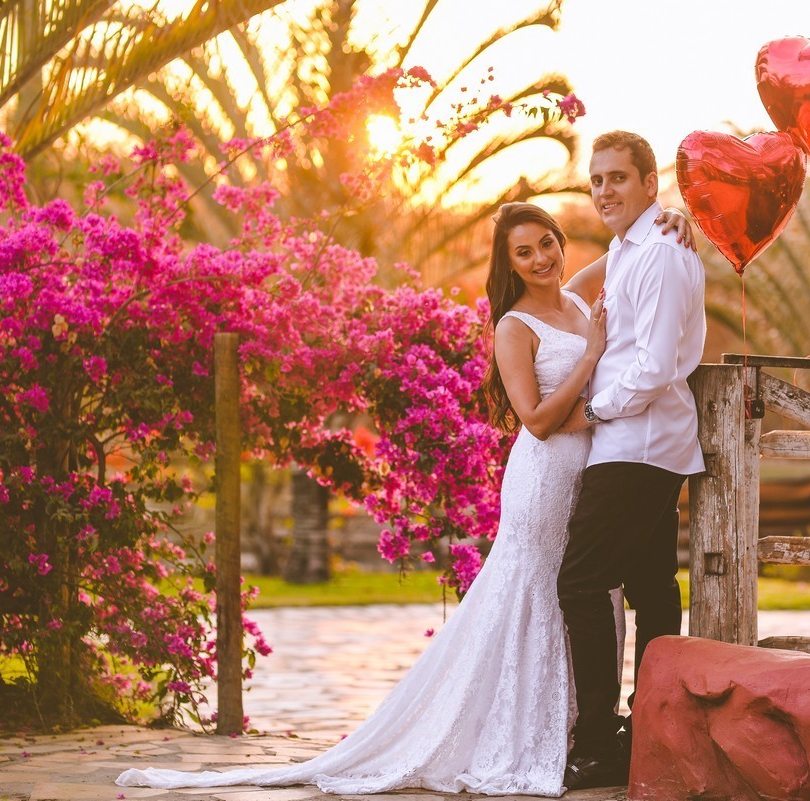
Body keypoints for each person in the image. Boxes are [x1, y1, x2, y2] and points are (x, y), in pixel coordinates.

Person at [116, 202, 693, 797]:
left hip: (591, 471)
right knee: (538, 591)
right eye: (525, 252)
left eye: (547, 242)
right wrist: (593, 355)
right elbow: (539, 421)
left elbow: (624, 253)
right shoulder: (515, 327)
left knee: (578, 593)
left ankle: (574, 728)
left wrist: (669, 220)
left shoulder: (574, 299)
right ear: (509, 265)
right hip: (546, 474)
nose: (542, 258)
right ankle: (520, 730)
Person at [557, 131, 707, 791]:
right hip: (639, 442)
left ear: (652, 182)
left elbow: (652, 367)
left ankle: (597, 742)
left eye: (619, 177)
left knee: (580, 583)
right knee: (650, 589)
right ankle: (651, 732)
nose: (605, 190)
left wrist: (592, 412)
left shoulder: (665, 255)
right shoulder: (628, 250)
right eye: (596, 180)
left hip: (637, 444)